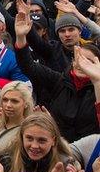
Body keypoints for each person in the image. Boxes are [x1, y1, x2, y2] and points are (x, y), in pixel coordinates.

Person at [14, 8, 100, 141]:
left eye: (88, 61)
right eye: (79, 59)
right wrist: (20, 37)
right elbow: (28, 66)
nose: (82, 65)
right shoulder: (59, 80)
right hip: (57, 146)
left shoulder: (97, 90)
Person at [0, 112, 80, 172]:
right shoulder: (6, 160)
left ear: (53, 141)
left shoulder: (66, 166)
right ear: (22, 137)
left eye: (42, 140)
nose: (34, 146)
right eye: (29, 138)